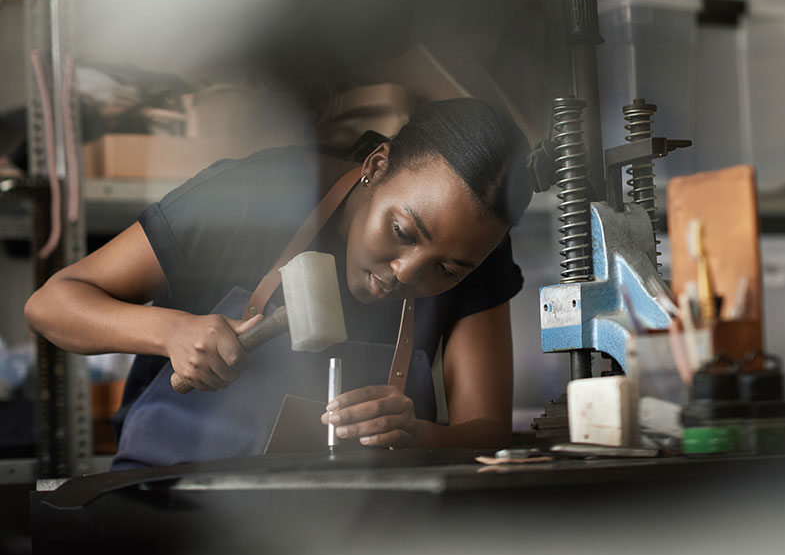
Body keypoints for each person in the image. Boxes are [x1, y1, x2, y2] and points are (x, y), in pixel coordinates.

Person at [24, 98, 534, 469]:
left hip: (357, 528)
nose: (407, 272)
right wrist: (170, 332)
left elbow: (485, 434)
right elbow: (52, 304)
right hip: (173, 510)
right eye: (401, 232)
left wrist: (419, 435)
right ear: (377, 166)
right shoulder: (254, 194)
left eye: (446, 270)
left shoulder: (475, 249)